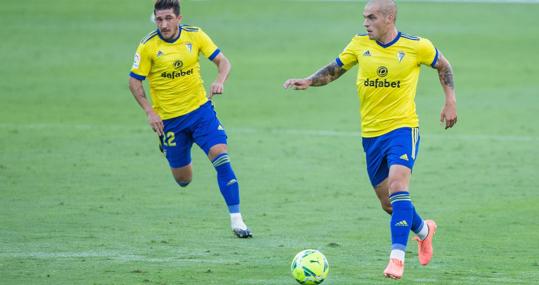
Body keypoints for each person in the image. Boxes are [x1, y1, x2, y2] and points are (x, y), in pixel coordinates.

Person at [283, 0, 457, 279]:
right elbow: (335, 69)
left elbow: (444, 65)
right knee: (389, 204)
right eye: (364, 17)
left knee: (399, 187)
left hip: (403, 129)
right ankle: (425, 230)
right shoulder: (358, 44)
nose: (365, 22)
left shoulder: (417, 46)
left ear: (388, 18)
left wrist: (450, 101)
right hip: (371, 134)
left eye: (371, 17)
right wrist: (308, 81)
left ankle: (397, 259)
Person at [128, 0, 252, 238]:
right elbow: (135, 82)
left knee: (220, 155)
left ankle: (237, 221)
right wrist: (150, 112)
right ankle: (167, 146)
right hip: (170, 121)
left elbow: (224, 62)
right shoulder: (147, 46)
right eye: (159, 19)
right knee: (183, 180)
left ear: (179, 18)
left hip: (200, 112)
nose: (163, 24)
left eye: (168, 18)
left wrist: (219, 80)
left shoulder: (195, 36)